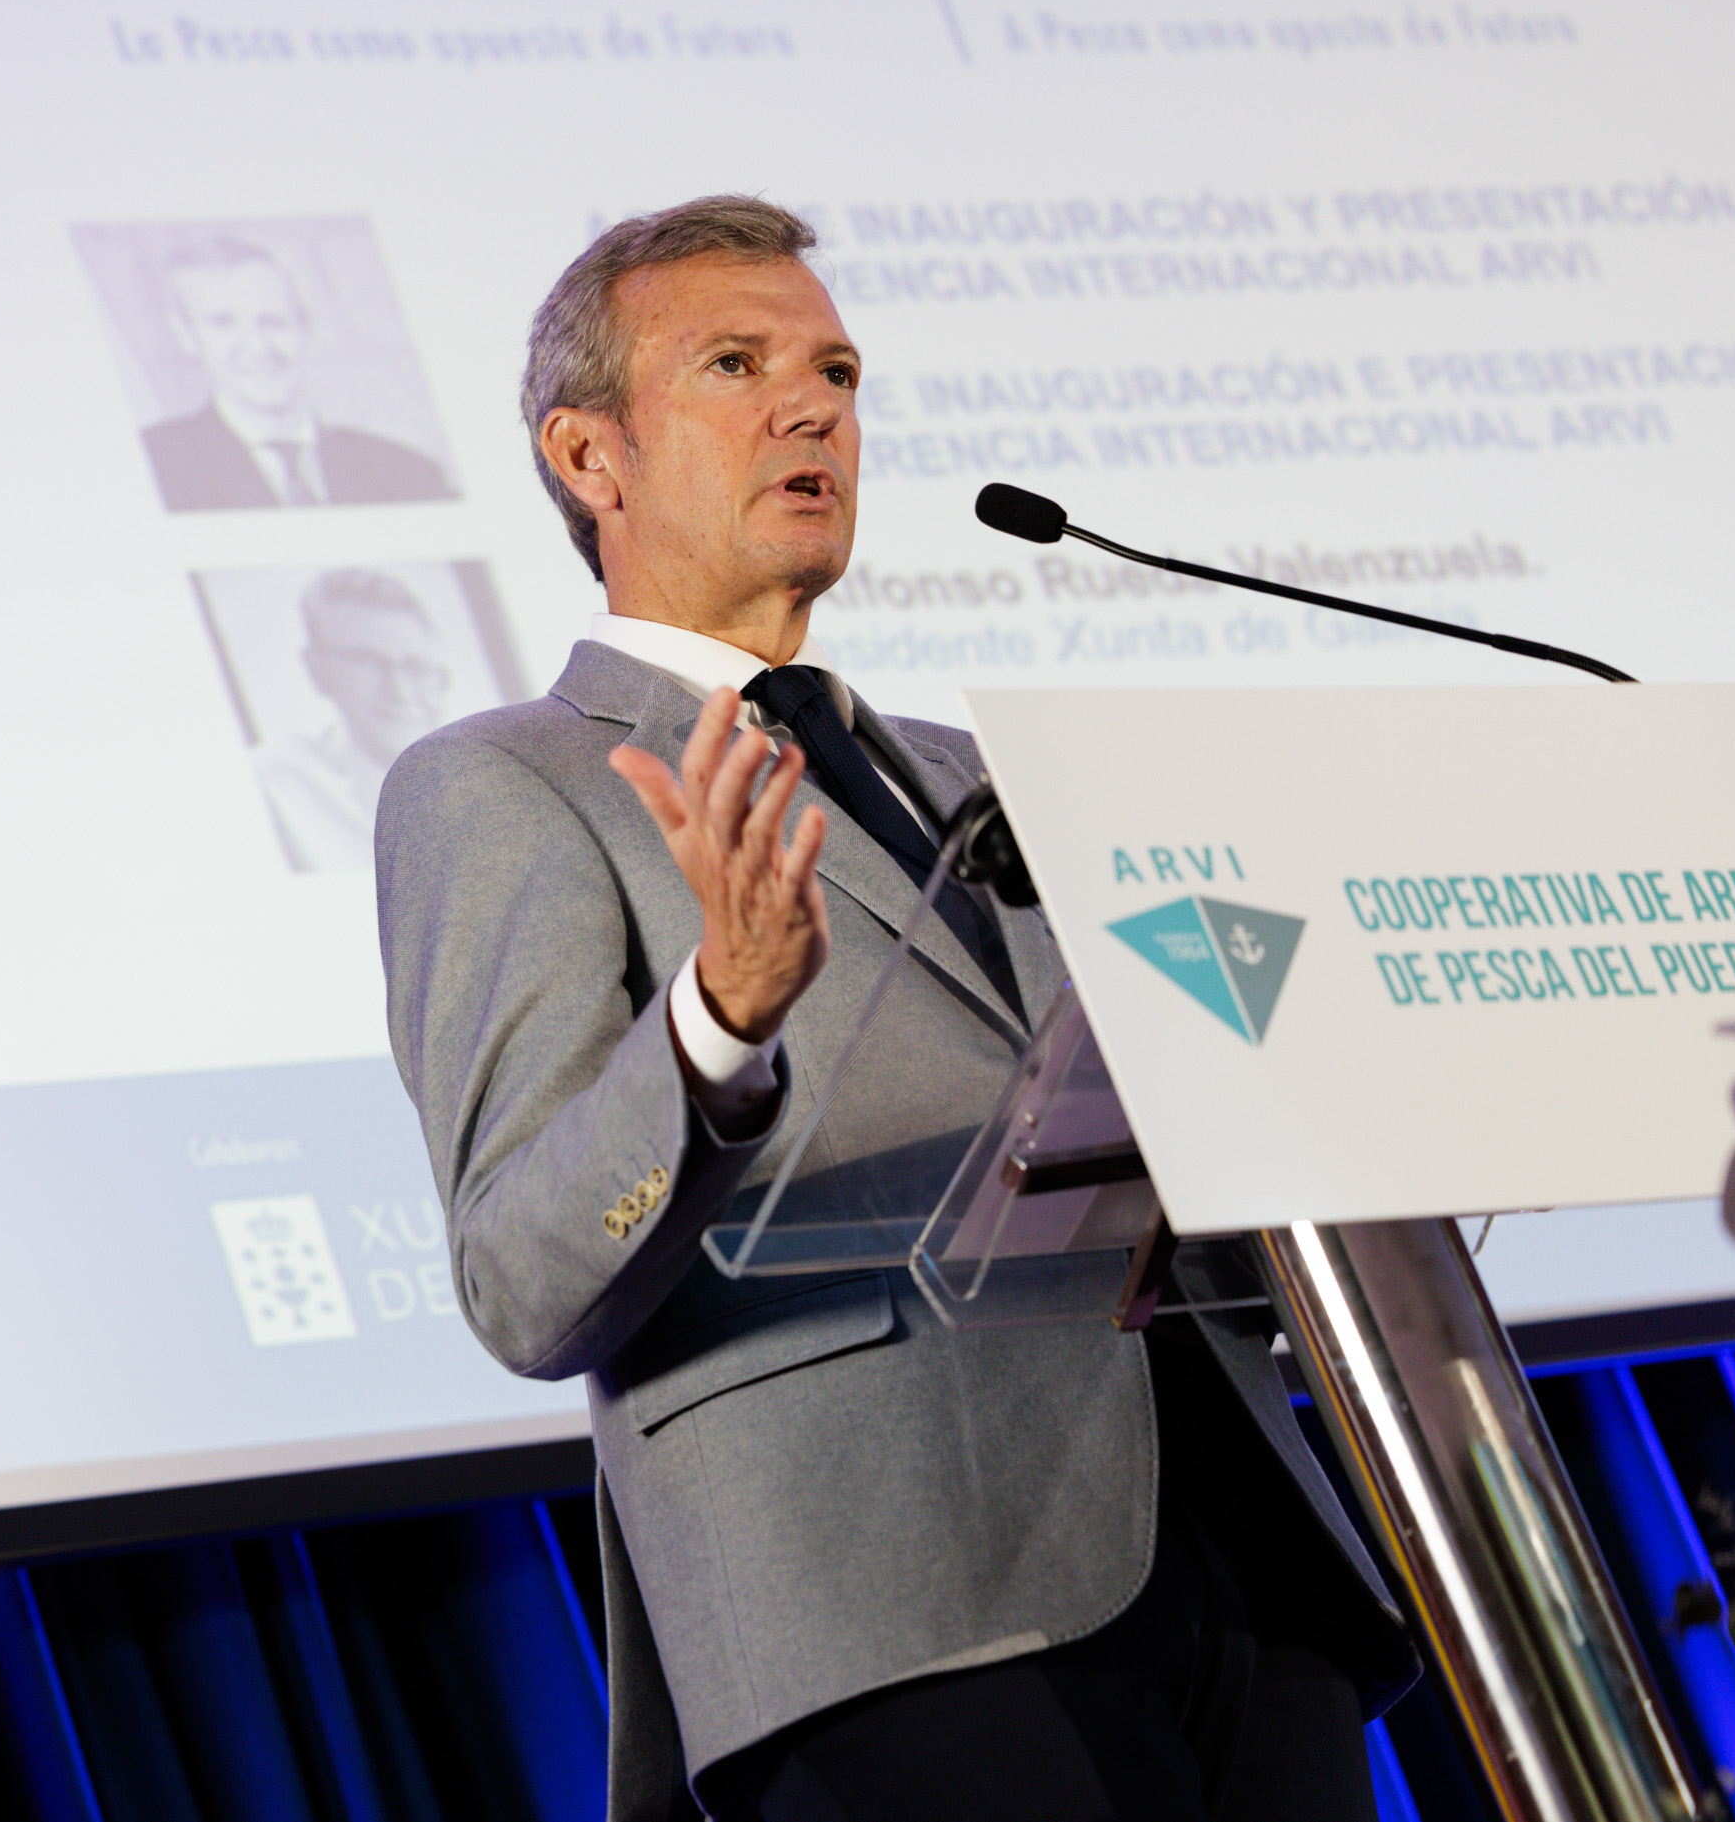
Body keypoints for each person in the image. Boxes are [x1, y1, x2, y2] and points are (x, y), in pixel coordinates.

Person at [374, 197, 1414, 1820]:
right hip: (889, 1599)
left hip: (1238, 1557)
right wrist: (717, 1025)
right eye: (738, 364)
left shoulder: (980, 771)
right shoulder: (508, 784)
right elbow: (520, 1275)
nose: (812, 409)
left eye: (838, 373)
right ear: (588, 456)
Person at [140, 238, 454, 511]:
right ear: (186, 336)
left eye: (274, 321)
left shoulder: (408, 473)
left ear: (305, 328)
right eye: (223, 323)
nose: (260, 348)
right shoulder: (151, 467)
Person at [253, 567, 452, 872]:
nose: (400, 691)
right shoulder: (274, 786)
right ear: (318, 671)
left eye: (416, 665)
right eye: (368, 662)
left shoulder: (494, 782)